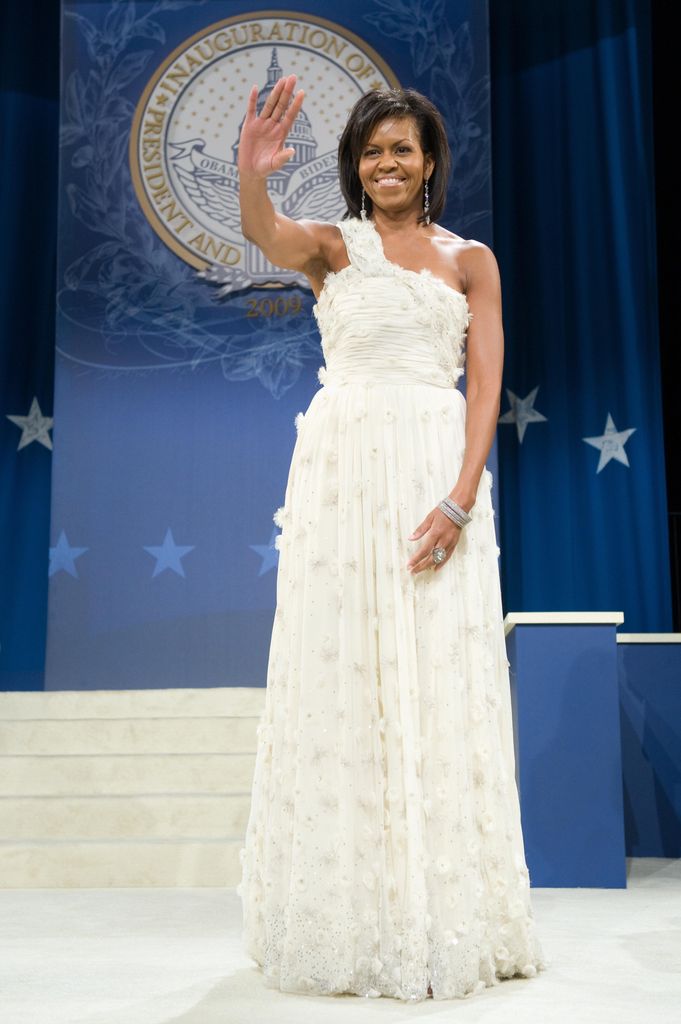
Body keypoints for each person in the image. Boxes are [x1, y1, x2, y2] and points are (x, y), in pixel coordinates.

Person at [236, 73, 548, 1002]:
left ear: (429, 161)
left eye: (401, 149)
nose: (385, 164)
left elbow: (483, 388)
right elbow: (264, 233)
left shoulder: (471, 261)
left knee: (438, 675)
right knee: (348, 673)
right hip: (342, 480)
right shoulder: (334, 248)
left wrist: (459, 497)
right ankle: (355, 909)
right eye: (371, 151)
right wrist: (252, 175)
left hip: (431, 472)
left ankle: (443, 907)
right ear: (356, 164)